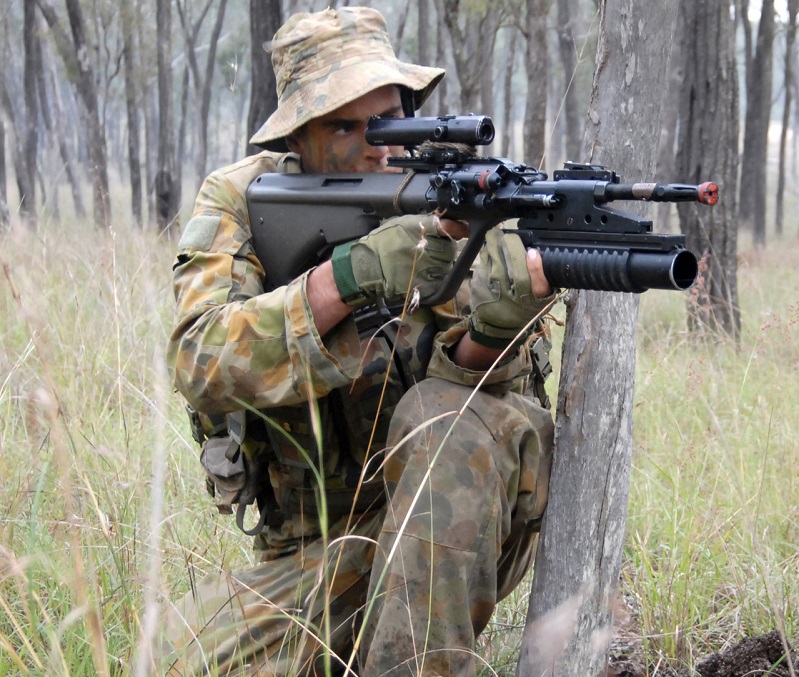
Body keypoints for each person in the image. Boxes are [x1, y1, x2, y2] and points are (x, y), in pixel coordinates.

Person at [163, 7, 556, 675]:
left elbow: (474, 400)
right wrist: (348, 276)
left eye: (389, 120)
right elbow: (201, 357)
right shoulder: (242, 198)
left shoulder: (448, 198)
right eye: (344, 125)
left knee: (443, 425)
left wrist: (498, 321)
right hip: (321, 554)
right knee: (175, 658)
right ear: (300, 135)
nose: (377, 146)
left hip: (452, 507)